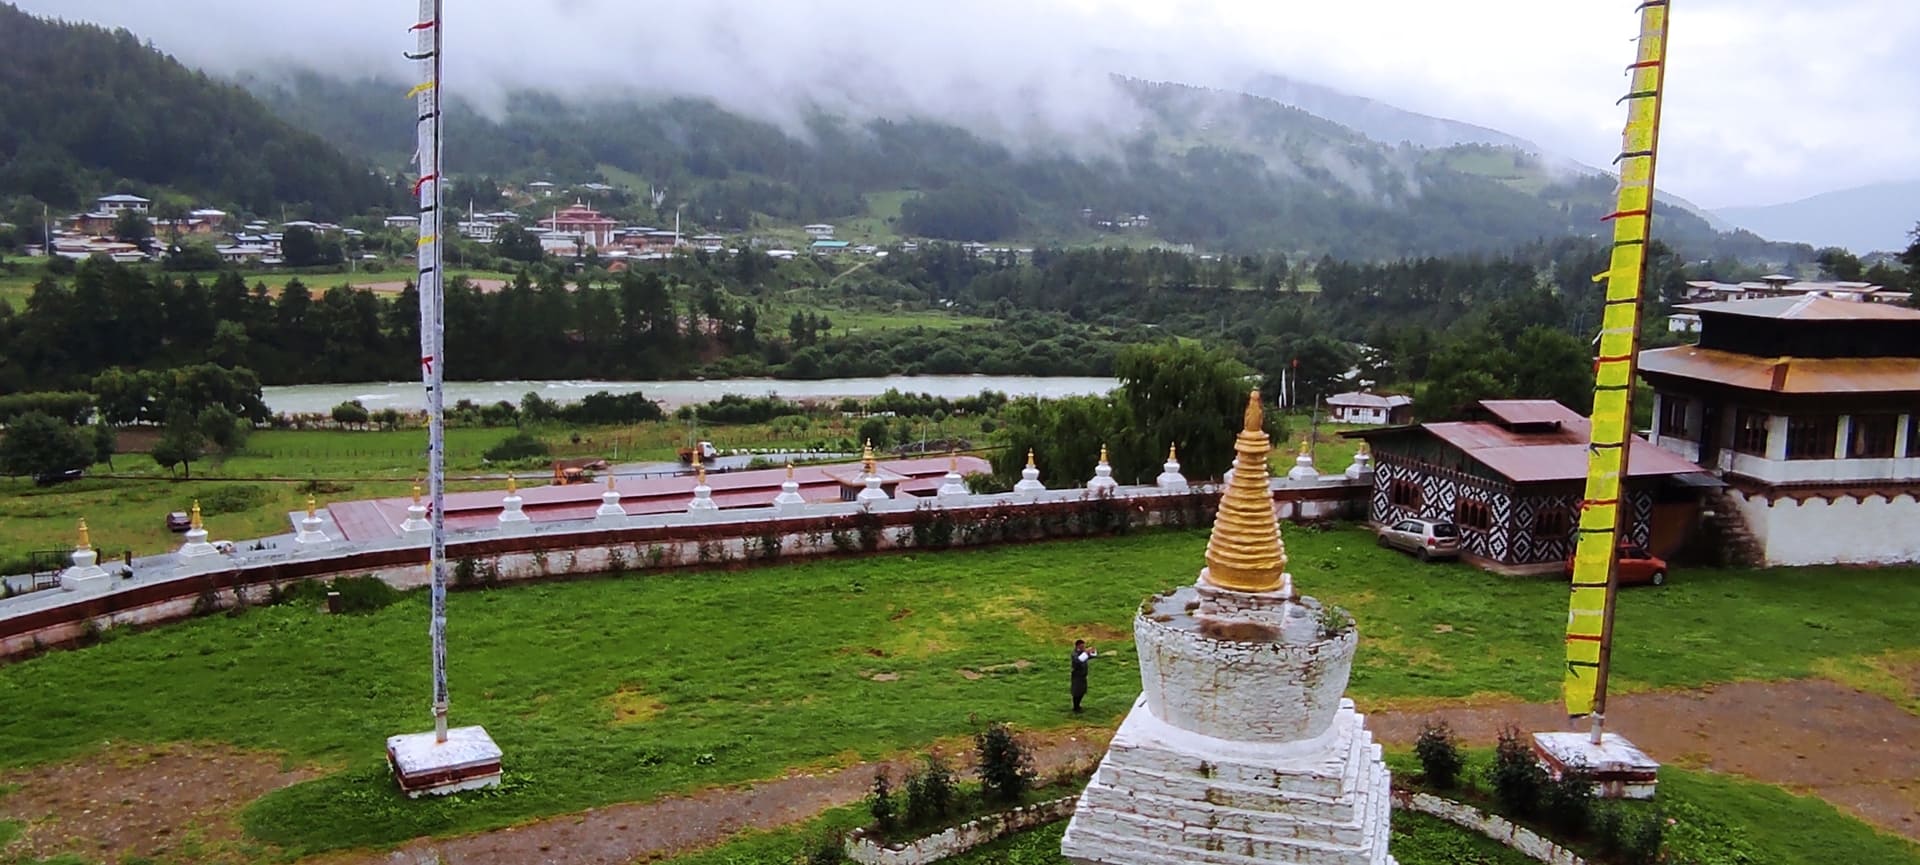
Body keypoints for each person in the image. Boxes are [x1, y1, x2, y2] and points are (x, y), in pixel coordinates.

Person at [1069, 639, 1098, 712]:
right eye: (1082, 646)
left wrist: (1092, 651)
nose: (1084, 647)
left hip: (1083, 675)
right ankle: (1075, 707)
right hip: (1077, 675)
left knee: (1082, 691)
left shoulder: (1082, 652)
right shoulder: (1074, 654)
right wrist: (1086, 652)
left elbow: (1092, 656)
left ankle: (1078, 705)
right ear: (1078, 646)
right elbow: (1078, 661)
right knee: (1077, 692)